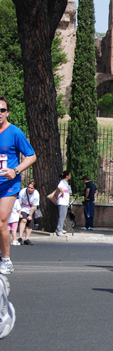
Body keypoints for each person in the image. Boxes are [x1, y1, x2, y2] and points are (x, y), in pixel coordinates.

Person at [0, 96, 37, 275]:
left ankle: (6, 259)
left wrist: (15, 170)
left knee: (1, 222)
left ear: (7, 112)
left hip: (8, 184)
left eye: (2, 110)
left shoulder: (15, 132)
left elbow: (31, 156)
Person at [18, 181, 40, 245]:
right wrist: (19, 213)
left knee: (30, 224)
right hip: (23, 208)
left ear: (34, 189)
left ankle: (26, 239)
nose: (29, 189)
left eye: (31, 188)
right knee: (24, 220)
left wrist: (30, 215)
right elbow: (19, 203)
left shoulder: (36, 194)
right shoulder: (23, 192)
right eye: (28, 187)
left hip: (30, 209)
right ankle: (20, 237)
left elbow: (34, 206)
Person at [56, 170, 72, 235]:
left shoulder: (66, 183)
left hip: (65, 202)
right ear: (67, 176)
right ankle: (58, 229)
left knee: (63, 216)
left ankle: (61, 228)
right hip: (62, 201)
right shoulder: (62, 182)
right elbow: (59, 187)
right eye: (69, 175)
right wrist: (62, 192)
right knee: (61, 216)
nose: (70, 176)